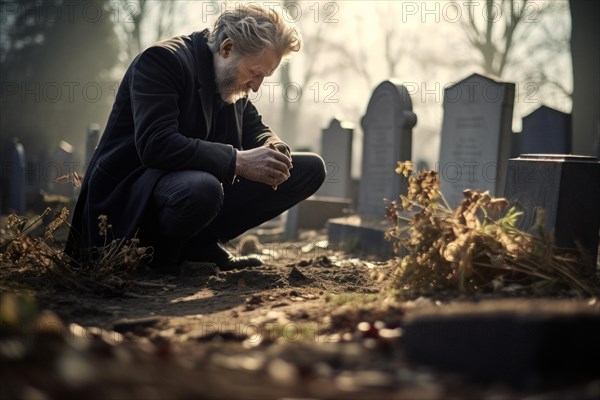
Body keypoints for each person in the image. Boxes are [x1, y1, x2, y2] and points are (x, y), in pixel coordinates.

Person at [65, 4, 326, 271]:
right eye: (255, 73)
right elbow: (156, 144)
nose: (256, 86)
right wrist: (238, 160)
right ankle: (154, 257)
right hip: (135, 196)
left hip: (190, 189)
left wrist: (274, 148)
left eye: (264, 76)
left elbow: (255, 128)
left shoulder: (232, 78)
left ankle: (200, 246)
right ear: (227, 48)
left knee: (308, 170)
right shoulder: (161, 61)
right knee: (204, 189)